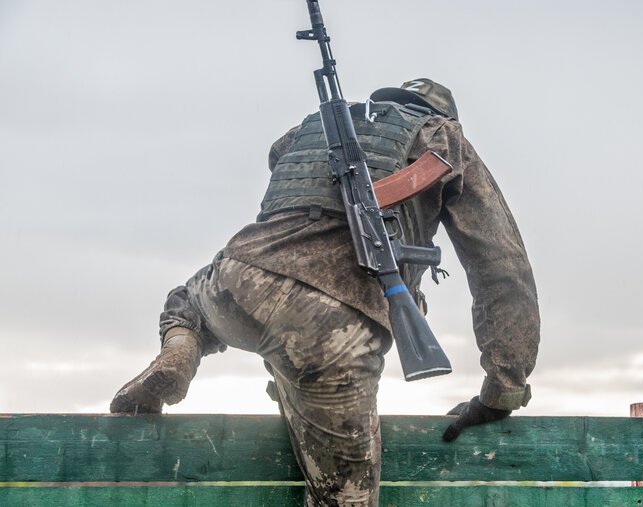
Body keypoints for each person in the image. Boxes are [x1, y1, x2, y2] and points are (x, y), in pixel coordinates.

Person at [110, 78, 540, 507]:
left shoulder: (316, 127)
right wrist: (503, 386)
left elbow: (279, 153)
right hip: (332, 325)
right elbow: (501, 265)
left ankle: (180, 349)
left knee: (187, 302)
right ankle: (295, 378)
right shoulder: (444, 137)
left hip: (236, 281)